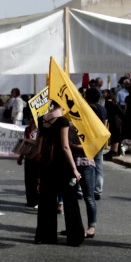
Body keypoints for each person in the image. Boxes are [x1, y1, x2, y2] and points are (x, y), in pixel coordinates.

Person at [34, 103, 84, 246]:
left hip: (46, 164)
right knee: (70, 201)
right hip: (62, 165)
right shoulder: (63, 121)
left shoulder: (42, 119)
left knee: (46, 200)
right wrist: (74, 169)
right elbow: (65, 146)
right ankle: (74, 237)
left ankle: (45, 235)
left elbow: (38, 142)